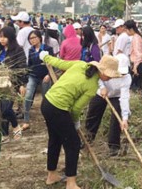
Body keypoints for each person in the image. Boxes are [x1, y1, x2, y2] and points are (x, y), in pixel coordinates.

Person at [40, 53, 121, 188]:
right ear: (102, 71)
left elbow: (59, 63)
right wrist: (75, 122)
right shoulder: (92, 86)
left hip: (47, 103)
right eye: (110, 75)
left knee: (55, 139)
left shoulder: (79, 64)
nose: (110, 78)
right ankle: (71, 183)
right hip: (58, 108)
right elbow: (76, 108)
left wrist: (45, 57)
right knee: (73, 143)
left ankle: (51, 175)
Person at [85, 53, 131, 157]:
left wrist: (124, 118)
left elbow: (124, 97)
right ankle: (87, 140)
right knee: (93, 115)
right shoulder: (107, 66)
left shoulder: (127, 78)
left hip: (116, 96)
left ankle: (114, 147)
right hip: (101, 93)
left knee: (117, 119)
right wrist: (102, 87)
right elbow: (99, 75)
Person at [0, 27, 28, 143]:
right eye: (0, 37)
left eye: (4, 37)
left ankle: (16, 126)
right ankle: (4, 134)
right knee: (0, 109)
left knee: (6, 108)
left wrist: (22, 84)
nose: (2, 39)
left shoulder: (18, 50)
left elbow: (22, 68)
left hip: (12, 84)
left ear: (10, 37)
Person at [22, 30, 54, 131]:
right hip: (33, 76)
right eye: (30, 39)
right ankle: (26, 120)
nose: (32, 40)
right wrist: (25, 78)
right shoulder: (31, 50)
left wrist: (49, 75)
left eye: (34, 37)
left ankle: (49, 118)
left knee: (46, 98)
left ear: (40, 38)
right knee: (28, 96)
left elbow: (53, 63)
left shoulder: (48, 49)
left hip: (45, 76)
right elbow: (30, 65)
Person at [124, 20, 142, 92]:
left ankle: (139, 100)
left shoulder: (136, 38)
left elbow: (138, 54)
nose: (126, 32)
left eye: (126, 30)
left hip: (138, 64)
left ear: (131, 29)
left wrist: (135, 67)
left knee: (135, 87)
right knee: (137, 86)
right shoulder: (138, 36)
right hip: (140, 64)